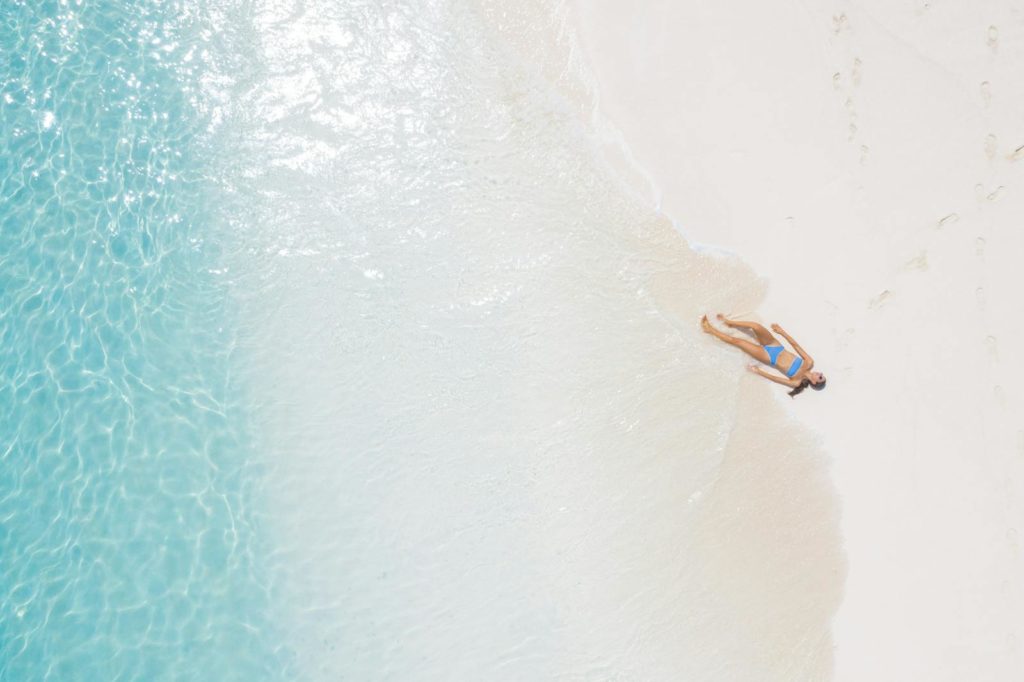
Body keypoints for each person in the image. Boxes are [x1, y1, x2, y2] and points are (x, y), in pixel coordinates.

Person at [701, 313, 826, 397]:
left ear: (814, 383)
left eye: (820, 377)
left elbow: (775, 379)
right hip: (775, 345)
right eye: (822, 375)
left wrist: (758, 371)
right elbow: (796, 346)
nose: (820, 374)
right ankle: (729, 322)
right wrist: (782, 332)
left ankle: (710, 330)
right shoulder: (809, 362)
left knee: (737, 342)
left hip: (768, 357)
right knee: (755, 326)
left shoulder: (796, 382)